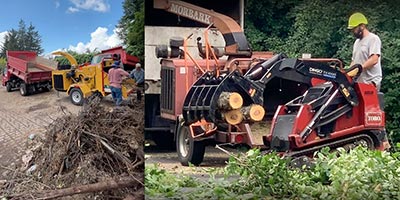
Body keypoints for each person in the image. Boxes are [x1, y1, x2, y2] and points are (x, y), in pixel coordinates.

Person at [348, 12, 382, 91]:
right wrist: (348, 72)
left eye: (354, 28)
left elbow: (374, 59)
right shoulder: (356, 42)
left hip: (371, 82)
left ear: (362, 26)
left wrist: (359, 68)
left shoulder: (373, 39)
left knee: (370, 103)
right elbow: (354, 61)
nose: (353, 31)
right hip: (360, 82)